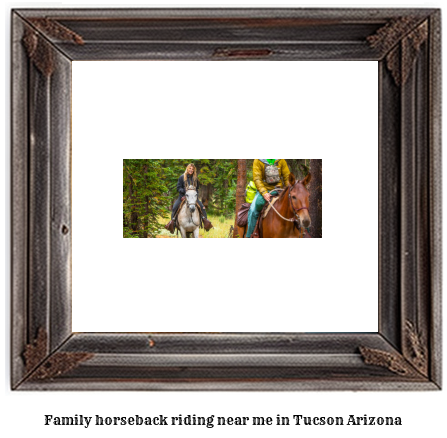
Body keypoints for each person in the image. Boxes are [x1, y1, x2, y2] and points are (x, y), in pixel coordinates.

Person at [246, 159, 291, 238]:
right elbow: (257, 179)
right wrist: (264, 193)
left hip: (279, 190)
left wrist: (290, 189)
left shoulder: (281, 160)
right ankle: (250, 235)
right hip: (264, 191)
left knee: (296, 206)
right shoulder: (258, 160)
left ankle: (304, 232)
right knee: (253, 210)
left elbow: (287, 176)